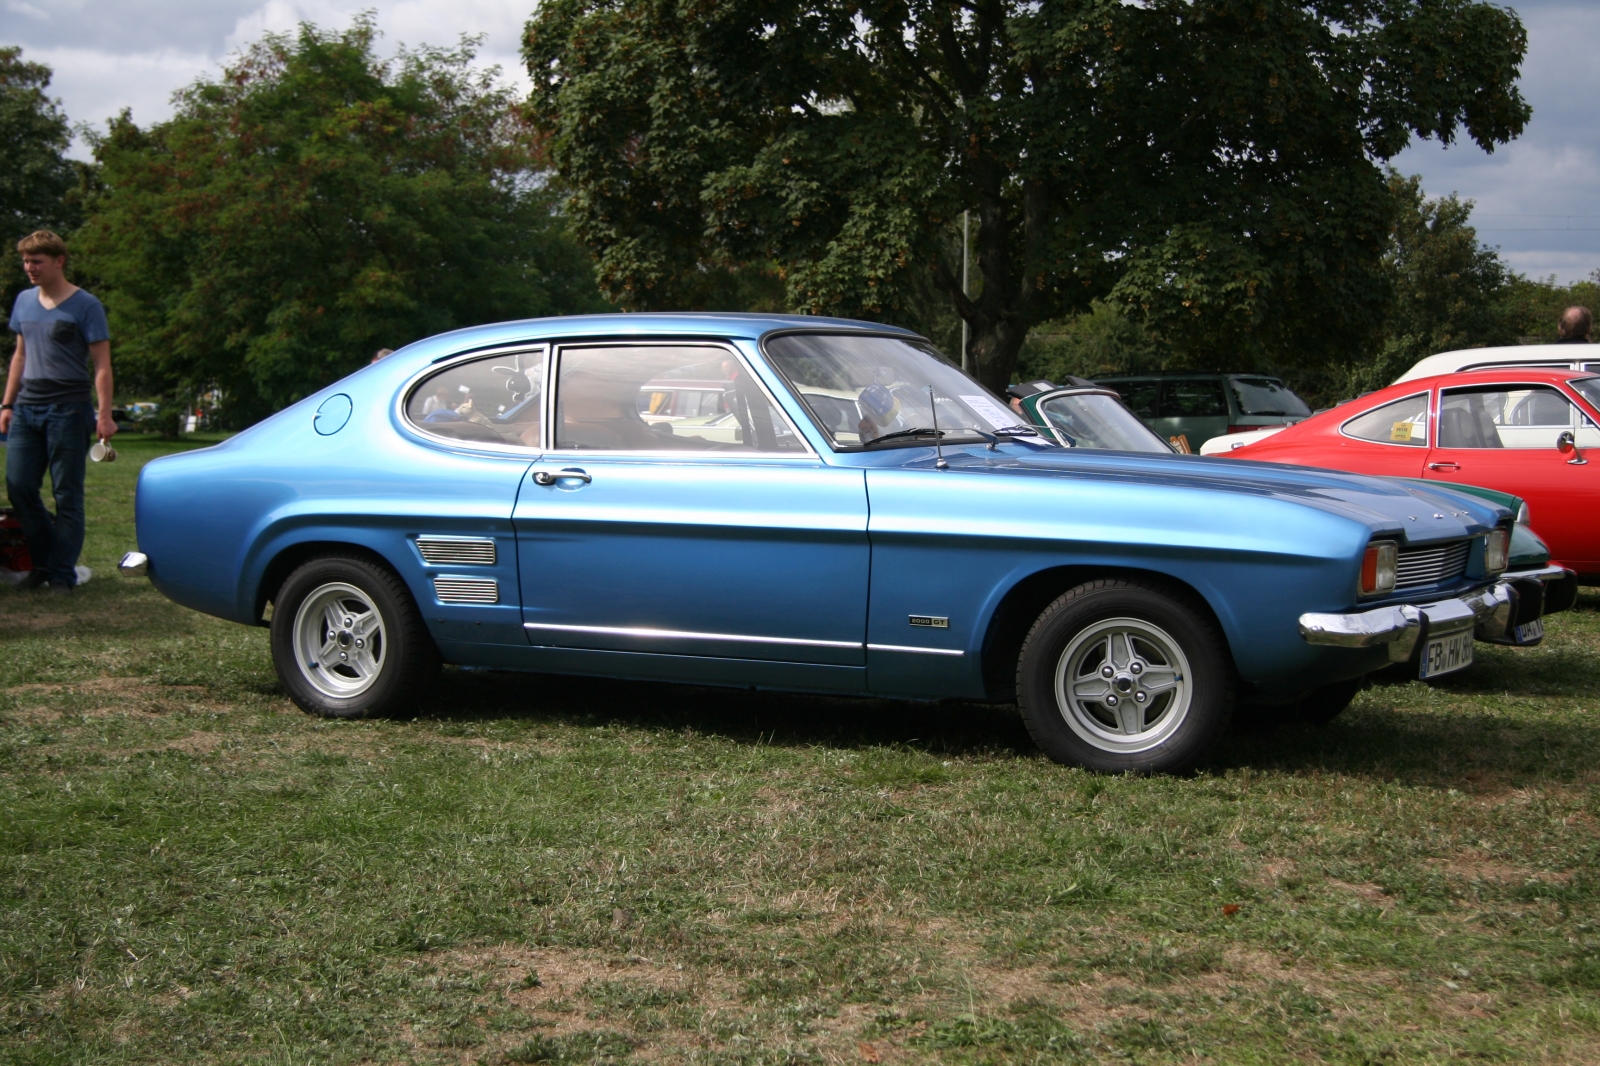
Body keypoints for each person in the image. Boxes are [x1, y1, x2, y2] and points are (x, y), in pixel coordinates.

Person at [1, 231, 115, 593]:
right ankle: (43, 564)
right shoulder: (23, 301)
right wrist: (7, 403)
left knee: (67, 494)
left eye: (37, 261)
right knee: (19, 489)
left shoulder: (86, 304)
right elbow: (20, 355)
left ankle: (62, 574)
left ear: (59, 261)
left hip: (68, 410)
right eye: (26, 261)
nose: (29, 268)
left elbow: (102, 364)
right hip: (26, 410)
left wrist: (105, 414)